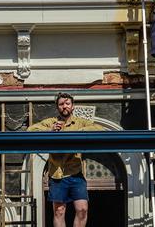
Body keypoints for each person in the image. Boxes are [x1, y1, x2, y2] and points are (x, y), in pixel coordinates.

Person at [27, 92, 103, 227]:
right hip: (57, 175)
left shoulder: (80, 122)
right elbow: (30, 130)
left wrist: (79, 132)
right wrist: (49, 130)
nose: (64, 106)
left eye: (67, 104)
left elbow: (99, 129)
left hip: (75, 174)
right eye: (61, 104)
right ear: (58, 108)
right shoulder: (51, 122)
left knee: (82, 209)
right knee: (59, 211)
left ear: (73, 107)